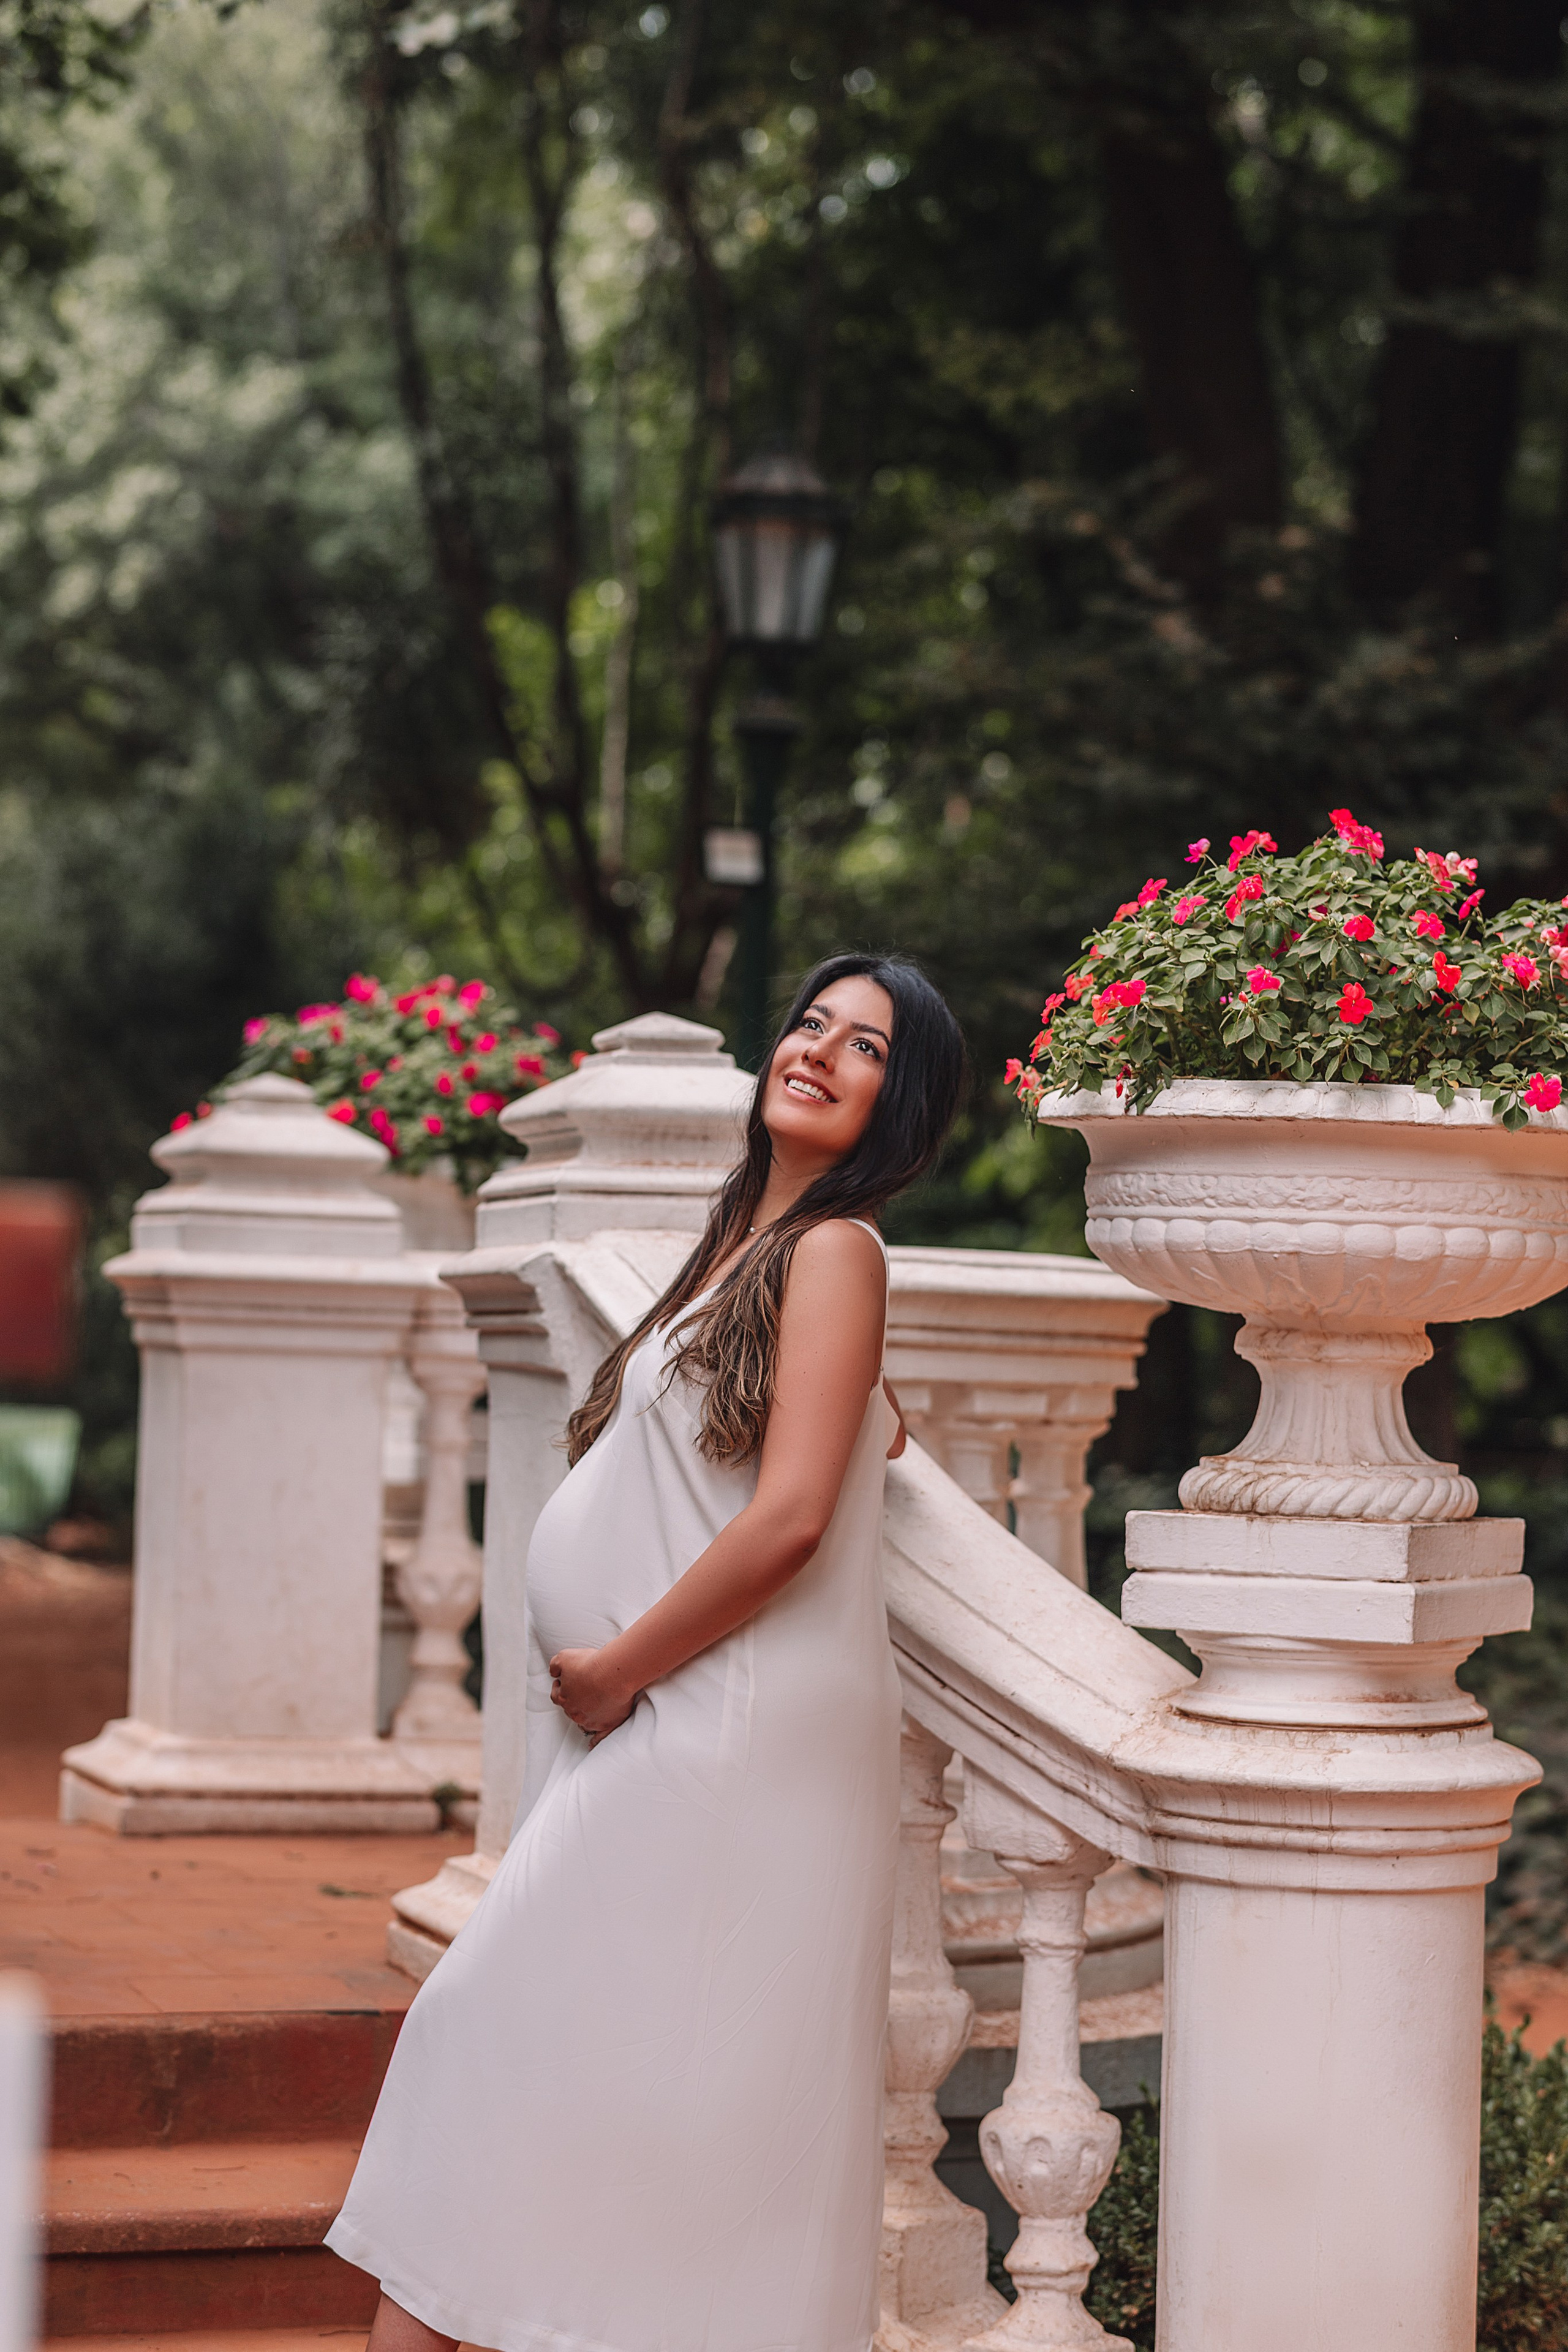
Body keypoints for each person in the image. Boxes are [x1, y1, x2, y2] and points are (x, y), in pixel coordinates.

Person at [325, 951, 968, 2352]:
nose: (815, 1049)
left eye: (861, 1047)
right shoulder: (755, 1246)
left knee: (491, 2034)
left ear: (898, 1105)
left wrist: (619, 1669)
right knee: (563, 2078)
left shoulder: (838, 1250)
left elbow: (792, 1516)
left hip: (712, 1732)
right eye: (809, 1023)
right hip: (683, 1730)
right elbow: (851, 1431)